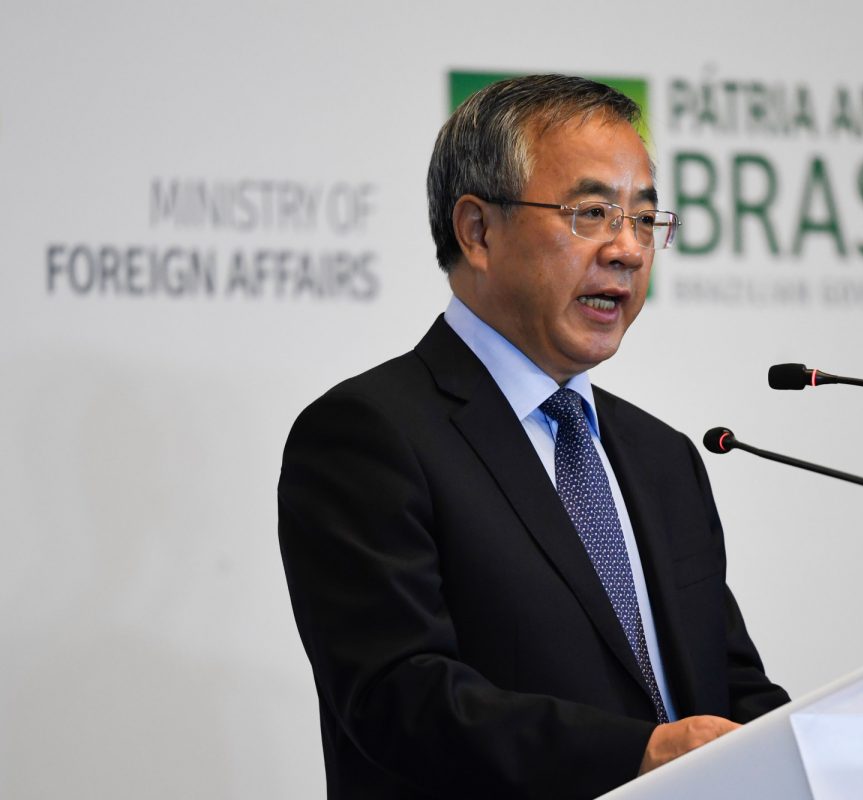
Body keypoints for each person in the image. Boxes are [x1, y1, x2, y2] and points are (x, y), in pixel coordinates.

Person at [278, 74, 789, 799]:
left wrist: (838, 747)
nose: (629, 250)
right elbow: (401, 698)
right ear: (478, 231)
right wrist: (637, 754)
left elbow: (725, 684)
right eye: (591, 213)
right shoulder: (369, 435)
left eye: (644, 219)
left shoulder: (662, 456)